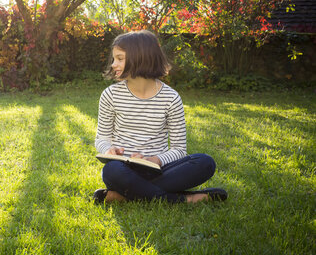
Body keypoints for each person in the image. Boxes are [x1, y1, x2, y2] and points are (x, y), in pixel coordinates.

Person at [93, 30, 227, 204]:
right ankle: (185, 199)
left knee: (205, 162)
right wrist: (108, 150)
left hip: (159, 169)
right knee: (111, 170)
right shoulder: (110, 95)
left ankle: (124, 195)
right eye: (114, 59)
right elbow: (102, 138)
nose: (113, 64)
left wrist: (155, 159)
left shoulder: (171, 98)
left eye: (119, 58)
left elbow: (179, 149)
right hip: (123, 169)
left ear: (140, 57)